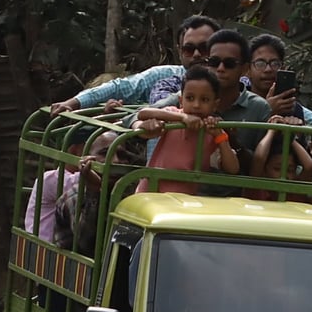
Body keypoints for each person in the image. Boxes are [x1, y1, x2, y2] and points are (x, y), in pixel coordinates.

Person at [48, 15, 220, 114]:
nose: (197, 55)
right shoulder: (166, 77)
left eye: (204, 48)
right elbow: (121, 87)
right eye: (189, 49)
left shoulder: (233, 80)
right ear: (179, 50)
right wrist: (73, 103)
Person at [131, 65, 240, 194]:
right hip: (152, 190)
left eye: (204, 100)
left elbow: (233, 168)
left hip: (184, 200)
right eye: (190, 98)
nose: (196, 105)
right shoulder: (173, 115)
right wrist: (183, 117)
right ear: (181, 100)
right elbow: (143, 113)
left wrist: (221, 136)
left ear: (215, 104)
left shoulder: (211, 128)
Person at [55, 130, 124, 256]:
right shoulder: (72, 197)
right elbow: (87, 243)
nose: (116, 161)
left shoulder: (126, 192)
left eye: (120, 154)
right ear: (87, 159)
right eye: (105, 154)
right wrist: (94, 191)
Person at [23, 125, 94, 243]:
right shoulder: (51, 179)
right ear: (74, 150)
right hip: (43, 249)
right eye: (92, 147)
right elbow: (82, 184)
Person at [244, 34, 312, 127]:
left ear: (282, 68)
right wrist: (266, 111)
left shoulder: (292, 108)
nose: (268, 69)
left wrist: (295, 134)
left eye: (275, 63)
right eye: (260, 63)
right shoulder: (238, 102)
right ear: (247, 70)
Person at [245, 116, 312, 201]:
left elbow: (310, 166)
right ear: (264, 171)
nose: (284, 175)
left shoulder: (295, 191)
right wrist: (272, 131)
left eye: (290, 170)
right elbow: (259, 158)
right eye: (277, 169)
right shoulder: (257, 188)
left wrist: (289, 135)